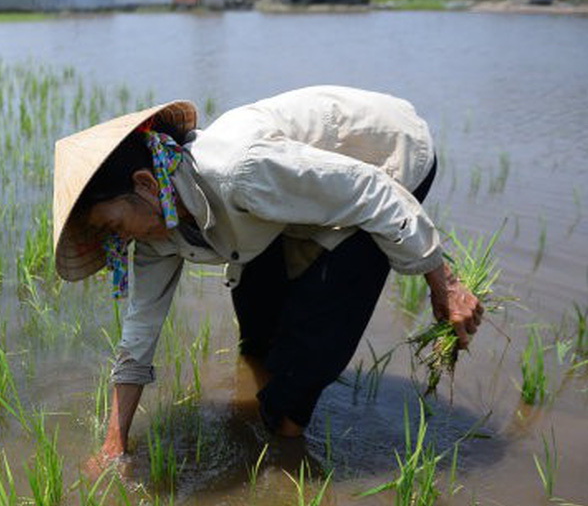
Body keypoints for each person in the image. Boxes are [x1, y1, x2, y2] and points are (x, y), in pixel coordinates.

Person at [52, 85, 484, 464]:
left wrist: (443, 283)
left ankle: (287, 439)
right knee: (257, 330)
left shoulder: (240, 171)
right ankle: (278, 406)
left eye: (112, 227)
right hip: (291, 197)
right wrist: (114, 446)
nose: (117, 243)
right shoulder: (155, 233)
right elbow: (138, 336)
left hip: (388, 156)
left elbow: (373, 192)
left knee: (309, 349)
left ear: (146, 185)